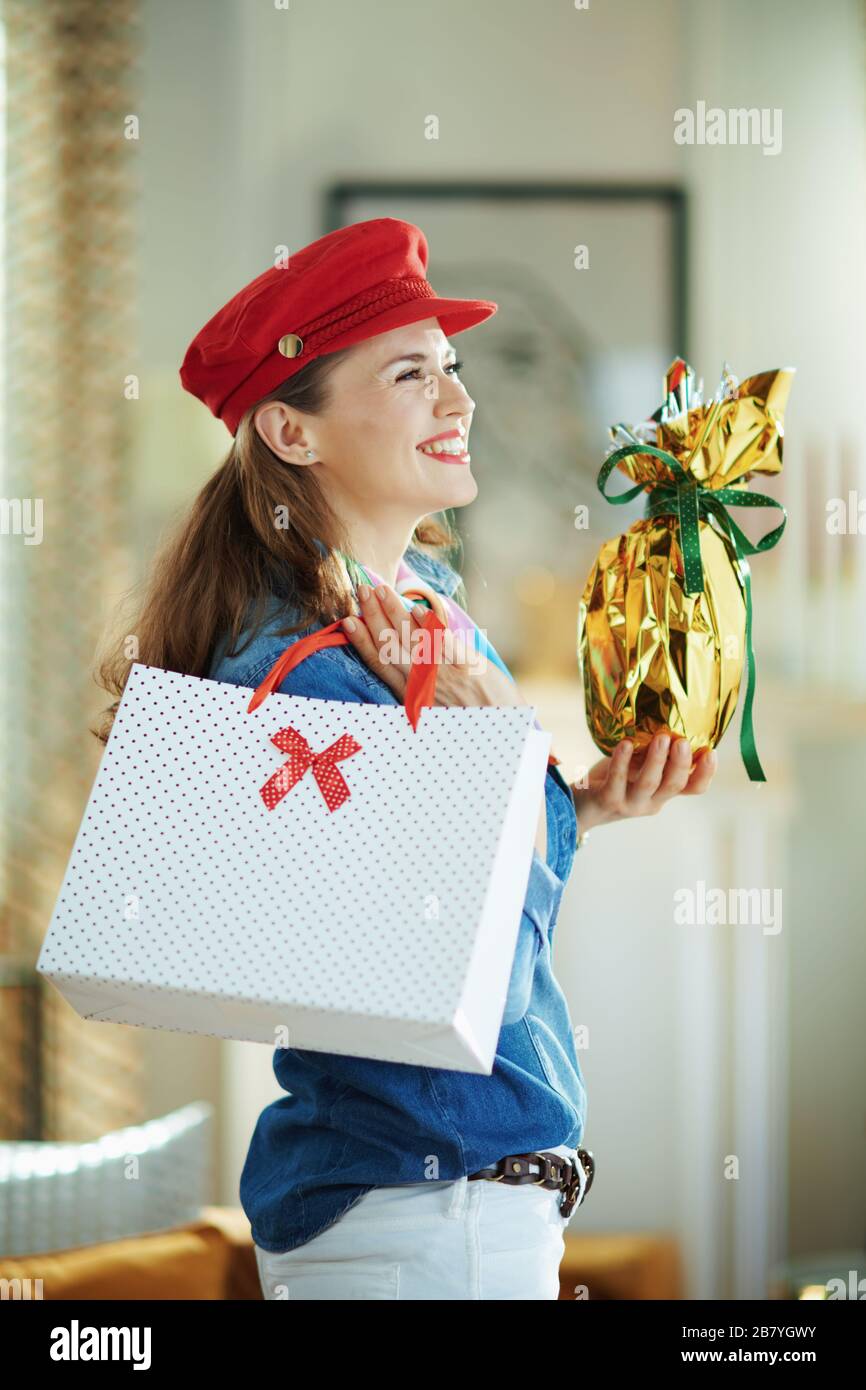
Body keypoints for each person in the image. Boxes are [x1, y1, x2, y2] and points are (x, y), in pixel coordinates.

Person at [96, 217, 717, 1300]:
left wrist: (569, 803)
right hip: (422, 1220)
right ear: (294, 432)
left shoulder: (426, 618)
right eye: (409, 371)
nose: (458, 399)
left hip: (439, 1210)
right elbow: (467, 987)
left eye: (452, 367)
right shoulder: (319, 669)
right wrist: (501, 746)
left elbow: (443, 899)